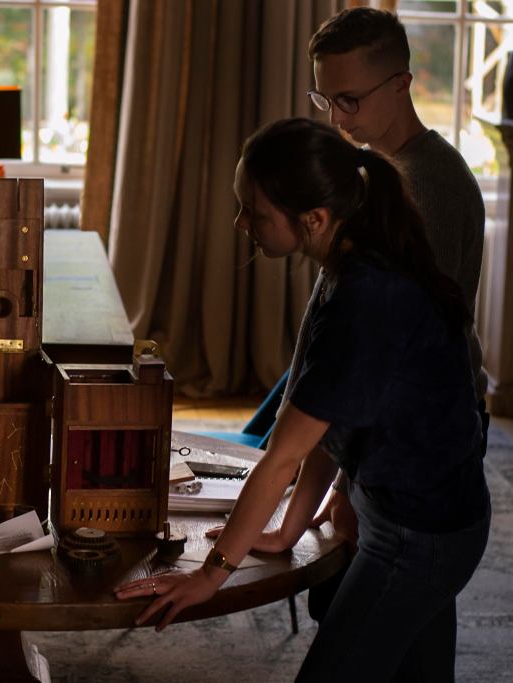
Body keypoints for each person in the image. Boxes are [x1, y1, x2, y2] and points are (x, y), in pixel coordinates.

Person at [115, 118, 491, 682]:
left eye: (255, 212)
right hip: (417, 518)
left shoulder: (365, 297)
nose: (242, 223)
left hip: (421, 536)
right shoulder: (354, 266)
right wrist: (287, 531)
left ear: (313, 219)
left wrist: (210, 575)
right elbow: (328, 428)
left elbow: (283, 458)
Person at [301, 6, 488, 548]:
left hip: (420, 436)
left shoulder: (430, 186)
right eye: (324, 99)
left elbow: (396, 353)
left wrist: (344, 477)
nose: (336, 118)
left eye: (349, 100)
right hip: (381, 431)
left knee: (397, 595)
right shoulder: (376, 172)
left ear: (402, 84)